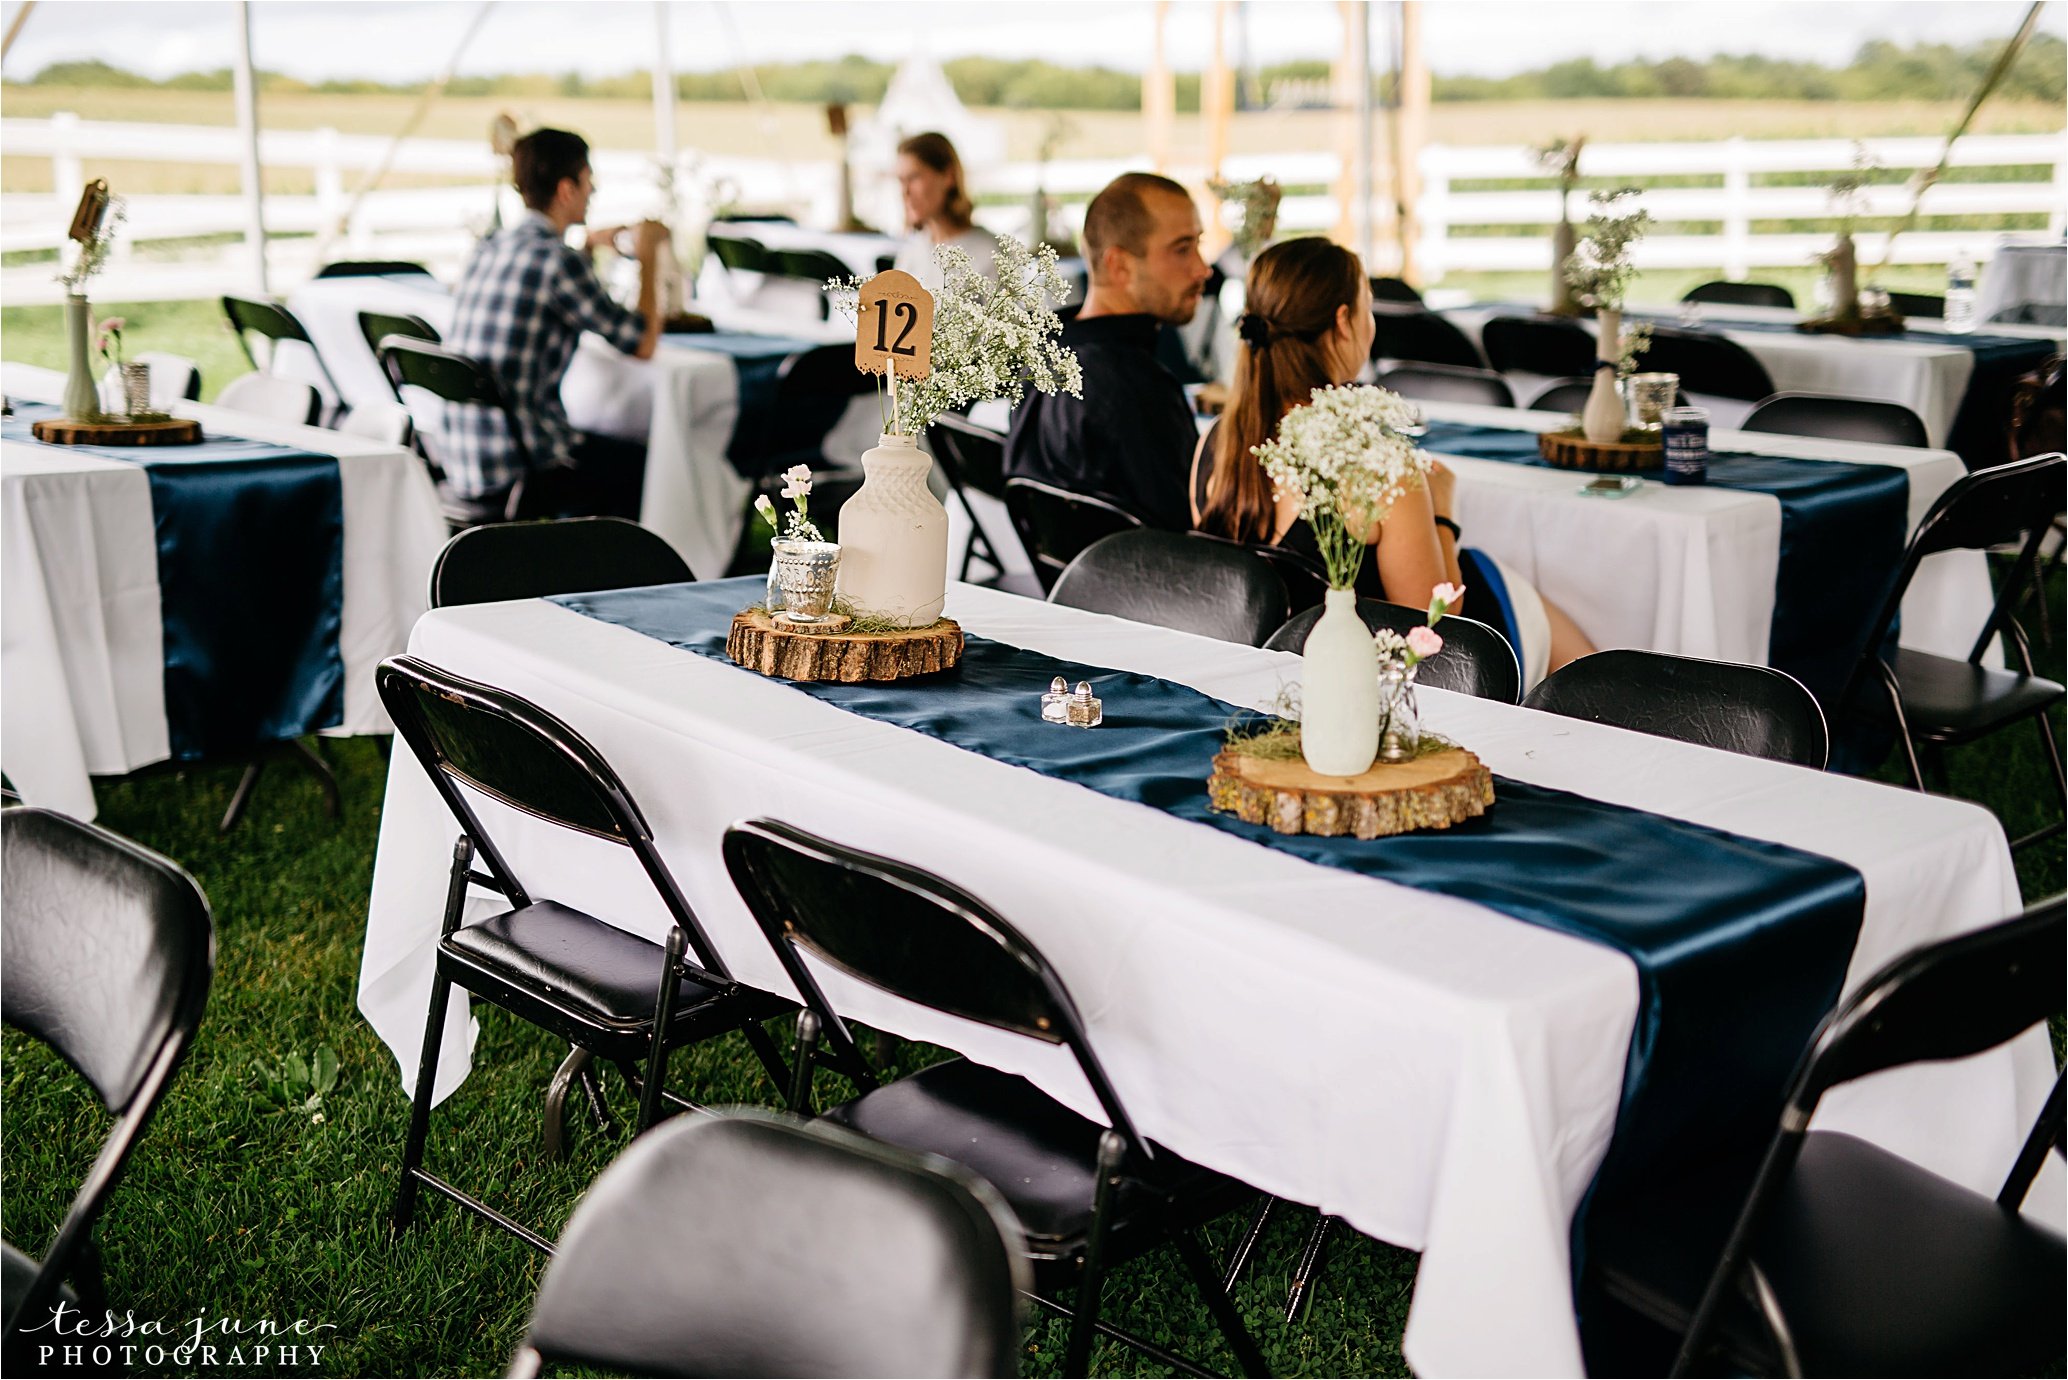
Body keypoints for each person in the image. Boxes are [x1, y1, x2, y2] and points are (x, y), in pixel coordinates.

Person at [1190, 237, 1594, 686]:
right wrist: (1443, 513)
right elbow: (1435, 625)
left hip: (1258, 669)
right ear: (1344, 321)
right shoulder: (1378, 465)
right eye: (1368, 307)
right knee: (1553, 628)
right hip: (1372, 676)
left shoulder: (1215, 441)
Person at [440, 127, 669, 523]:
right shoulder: (559, 262)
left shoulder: (490, 246)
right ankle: (625, 574)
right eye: (588, 183)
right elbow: (642, 343)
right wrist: (650, 257)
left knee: (596, 439)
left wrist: (587, 245)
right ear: (567, 190)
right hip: (519, 466)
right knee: (649, 464)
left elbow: (542, 289)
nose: (592, 193)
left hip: (461, 456)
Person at [1004, 172, 1209, 533]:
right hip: (1138, 584)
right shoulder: (1136, 387)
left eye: (1198, 244)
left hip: (1063, 586)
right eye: (1182, 249)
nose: (1202, 268)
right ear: (1120, 265)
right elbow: (1184, 539)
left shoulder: (1046, 353)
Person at [890, 132, 997, 291]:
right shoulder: (911, 251)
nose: (905, 192)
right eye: (901, 180)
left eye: (914, 178)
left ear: (948, 176)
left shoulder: (989, 253)